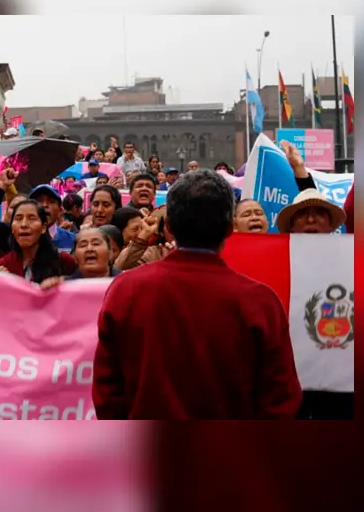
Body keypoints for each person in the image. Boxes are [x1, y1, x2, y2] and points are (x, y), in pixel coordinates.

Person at [92, 169, 302, 419]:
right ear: (229, 228)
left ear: (168, 225)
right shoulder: (260, 302)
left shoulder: (125, 291)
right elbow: (281, 400)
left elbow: (107, 392)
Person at [0, 200, 76, 282]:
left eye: (32, 218)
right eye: (18, 219)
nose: (24, 224)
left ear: (43, 228)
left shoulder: (64, 261)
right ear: (12, 228)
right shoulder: (4, 265)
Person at [28, 185, 77, 252]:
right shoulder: (20, 238)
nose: (44, 205)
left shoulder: (72, 240)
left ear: (60, 210)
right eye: (39, 200)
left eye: (51, 201)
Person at [275, 189, 346, 234]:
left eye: (320, 213)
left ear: (330, 226)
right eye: (302, 213)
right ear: (291, 226)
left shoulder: (347, 256)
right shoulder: (275, 257)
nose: (310, 219)